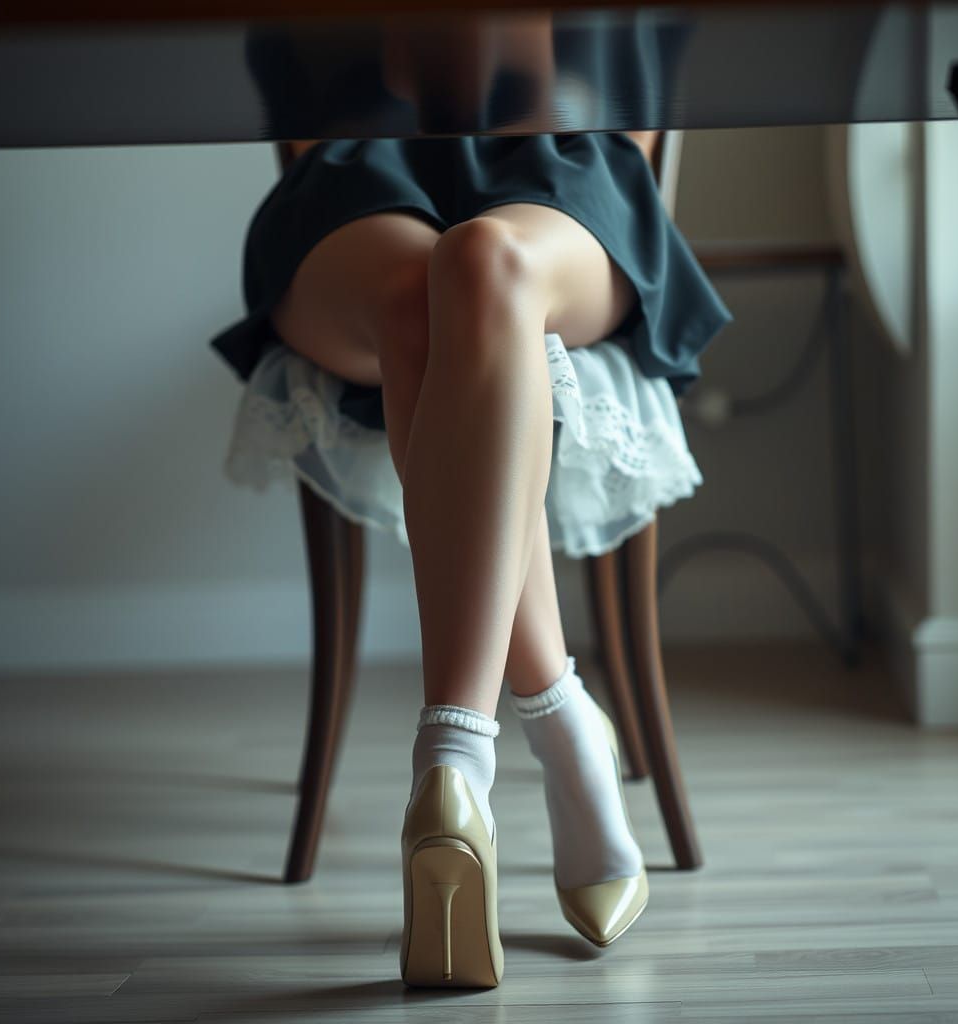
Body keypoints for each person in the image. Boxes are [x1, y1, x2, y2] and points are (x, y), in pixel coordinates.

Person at [208, 127, 733, 989]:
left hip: (561, 168)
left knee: (484, 263)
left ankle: (457, 762)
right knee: (432, 289)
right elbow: (294, 78)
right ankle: (551, 729)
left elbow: (633, 77)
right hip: (356, 174)